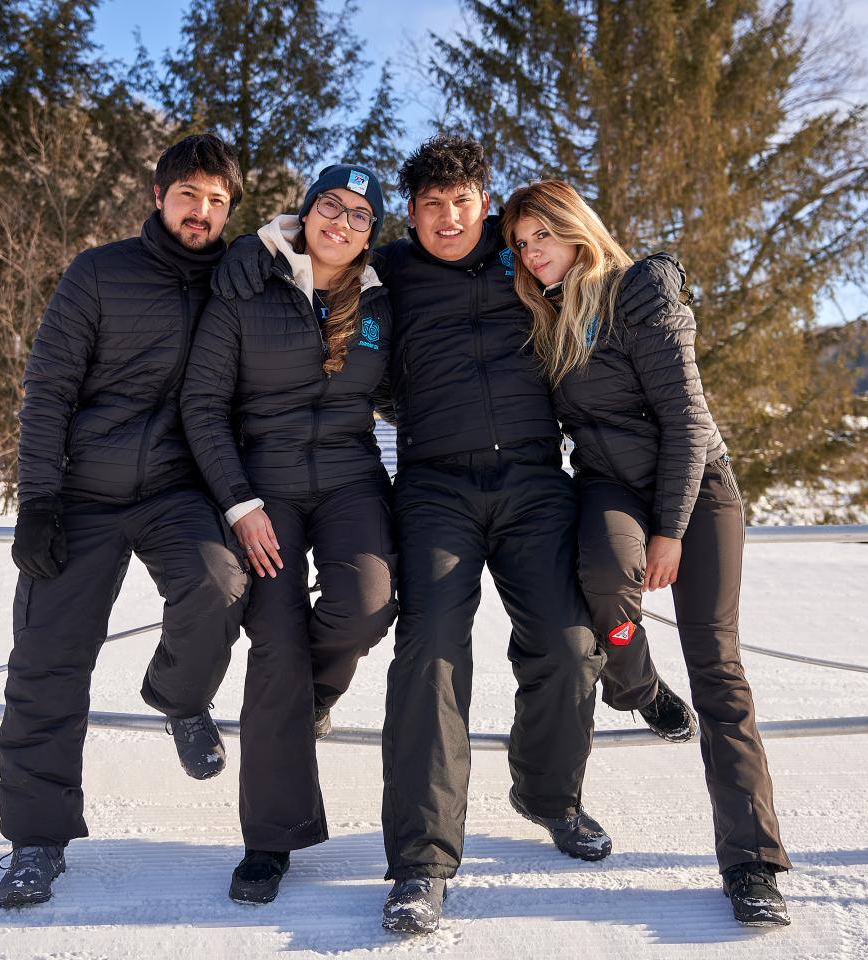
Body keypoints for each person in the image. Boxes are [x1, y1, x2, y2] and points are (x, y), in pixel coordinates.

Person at [217, 135, 604, 935]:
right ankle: (421, 867)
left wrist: (658, 276)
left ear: (486, 202)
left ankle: (549, 795)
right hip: (434, 486)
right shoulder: (389, 269)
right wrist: (242, 260)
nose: (448, 217)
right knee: (428, 656)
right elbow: (308, 258)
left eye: (463, 202)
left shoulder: (520, 254)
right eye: (431, 205)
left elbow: (596, 265)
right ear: (414, 214)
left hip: (535, 481)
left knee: (568, 646)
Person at [502, 180, 793, 927]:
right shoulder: (545, 314)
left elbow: (690, 424)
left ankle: (752, 863)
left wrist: (671, 530)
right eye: (522, 244)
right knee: (603, 576)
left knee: (719, 672)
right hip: (609, 487)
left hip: (697, 489)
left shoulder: (640, 290)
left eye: (543, 235)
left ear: (576, 228)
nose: (533, 254)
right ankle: (636, 689)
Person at [0, 134, 251, 909]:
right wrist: (38, 498)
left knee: (219, 584)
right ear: (159, 196)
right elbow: (48, 389)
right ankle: (37, 841)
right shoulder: (99, 272)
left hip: (177, 491)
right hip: (81, 494)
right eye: (188, 196)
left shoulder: (240, 283)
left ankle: (178, 697)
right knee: (47, 663)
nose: (201, 212)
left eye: (217, 200)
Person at [182, 163, 398, 905]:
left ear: (374, 231)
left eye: (360, 215)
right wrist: (240, 503)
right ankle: (269, 841)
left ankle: (309, 700)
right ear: (305, 213)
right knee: (276, 639)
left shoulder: (380, 300)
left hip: (349, 478)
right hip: (264, 484)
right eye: (329, 207)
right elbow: (203, 403)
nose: (342, 223)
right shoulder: (248, 282)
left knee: (368, 603)